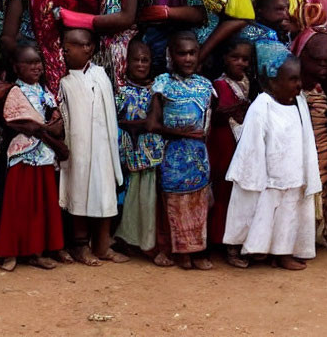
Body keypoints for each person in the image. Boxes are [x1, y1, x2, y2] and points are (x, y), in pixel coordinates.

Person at [224, 41, 321, 270]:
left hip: (294, 173)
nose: (298, 85)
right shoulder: (262, 105)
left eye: (299, 78)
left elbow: (306, 138)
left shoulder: (299, 103)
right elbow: (251, 145)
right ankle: (257, 250)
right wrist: (255, 177)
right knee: (261, 213)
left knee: (288, 216)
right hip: (267, 177)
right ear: (272, 82)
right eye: (292, 79)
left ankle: (284, 254)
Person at [57, 27, 125, 266]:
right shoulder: (64, 82)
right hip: (78, 147)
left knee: (104, 192)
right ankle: (80, 245)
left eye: (84, 44)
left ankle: (103, 245)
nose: (67, 48)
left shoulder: (100, 74)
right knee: (78, 191)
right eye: (69, 44)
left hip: (103, 146)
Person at [0, 45, 67, 271]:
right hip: (22, 155)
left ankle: (37, 252)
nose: (36, 66)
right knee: (17, 206)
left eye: (38, 62)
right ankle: (10, 253)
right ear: (17, 67)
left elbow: (57, 124)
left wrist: (46, 128)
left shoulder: (46, 93)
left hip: (44, 155)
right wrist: (41, 128)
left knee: (41, 207)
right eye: (29, 62)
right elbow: (13, 121)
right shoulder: (14, 92)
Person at [151, 30, 214, 270]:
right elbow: (153, 124)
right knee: (175, 205)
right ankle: (180, 252)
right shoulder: (162, 84)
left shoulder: (206, 86)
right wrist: (184, 134)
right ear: (171, 55)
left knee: (198, 203)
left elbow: (208, 125)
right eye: (182, 53)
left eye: (192, 53)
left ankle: (198, 251)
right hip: (172, 156)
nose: (187, 58)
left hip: (198, 156)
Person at [293, 27, 327, 251]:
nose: (325, 68)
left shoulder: (322, 88)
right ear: (304, 57)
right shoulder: (293, 91)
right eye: (320, 62)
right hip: (303, 151)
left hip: (324, 146)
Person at [113, 40, 165, 262]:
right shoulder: (121, 91)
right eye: (136, 60)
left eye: (145, 60)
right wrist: (141, 125)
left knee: (149, 200)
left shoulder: (158, 88)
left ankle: (148, 242)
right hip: (132, 153)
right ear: (127, 61)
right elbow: (117, 120)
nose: (141, 65)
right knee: (133, 198)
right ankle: (129, 239)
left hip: (153, 153)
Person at [208, 38, 253, 267]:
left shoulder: (247, 82)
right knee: (223, 192)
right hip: (222, 143)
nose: (241, 63)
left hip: (240, 145)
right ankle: (223, 243)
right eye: (235, 58)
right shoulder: (219, 85)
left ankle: (236, 241)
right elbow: (214, 116)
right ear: (224, 59)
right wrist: (232, 109)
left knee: (238, 193)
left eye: (245, 59)